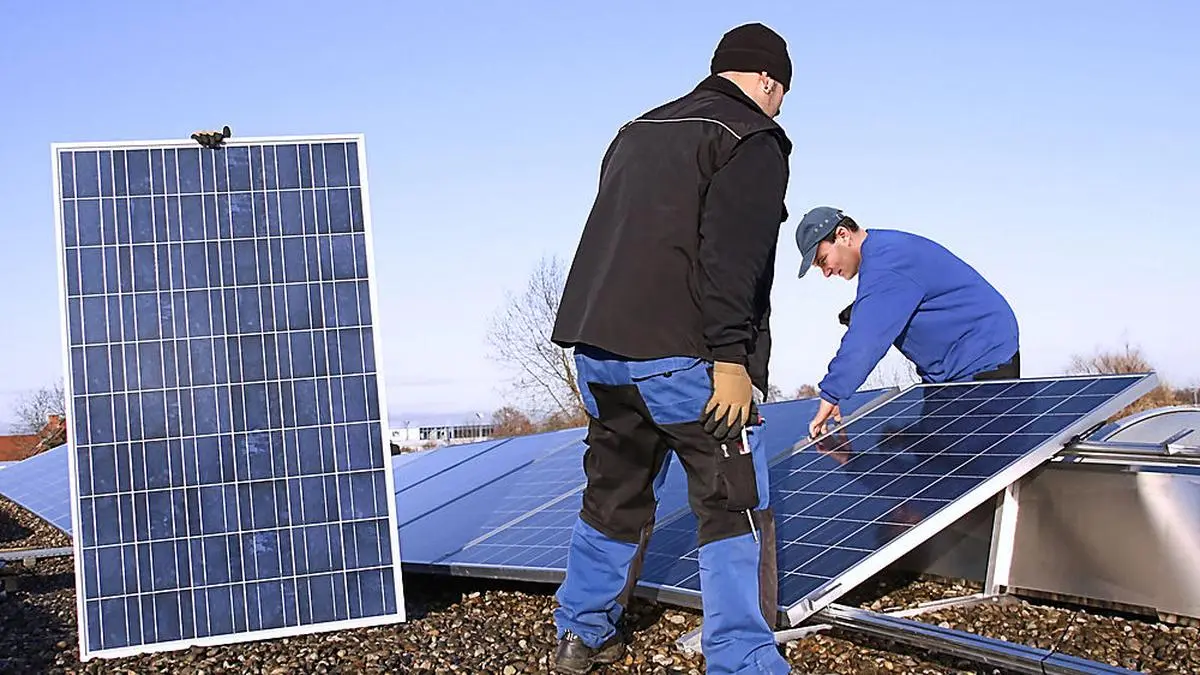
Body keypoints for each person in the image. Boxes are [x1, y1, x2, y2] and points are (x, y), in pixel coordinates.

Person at [547, 22, 796, 675]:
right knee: (732, 497)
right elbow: (732, 256)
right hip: (684, 355)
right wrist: (733, 358)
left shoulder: (637, 130)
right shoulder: (751, 137)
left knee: (615, 491)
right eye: (782, 92)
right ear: (769, 79)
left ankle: (581, 633)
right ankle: (741, 657)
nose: (780, 106)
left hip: (599, 348)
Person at [793, 206, 1020, 439]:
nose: (826, 272)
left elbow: (866, 339)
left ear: (843, 235)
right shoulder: (883, 256)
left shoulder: (888, 261)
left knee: (972, 462)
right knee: (933, 457)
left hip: (982, 364)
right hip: (945, 375)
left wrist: (831, 394)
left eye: (823, 260)